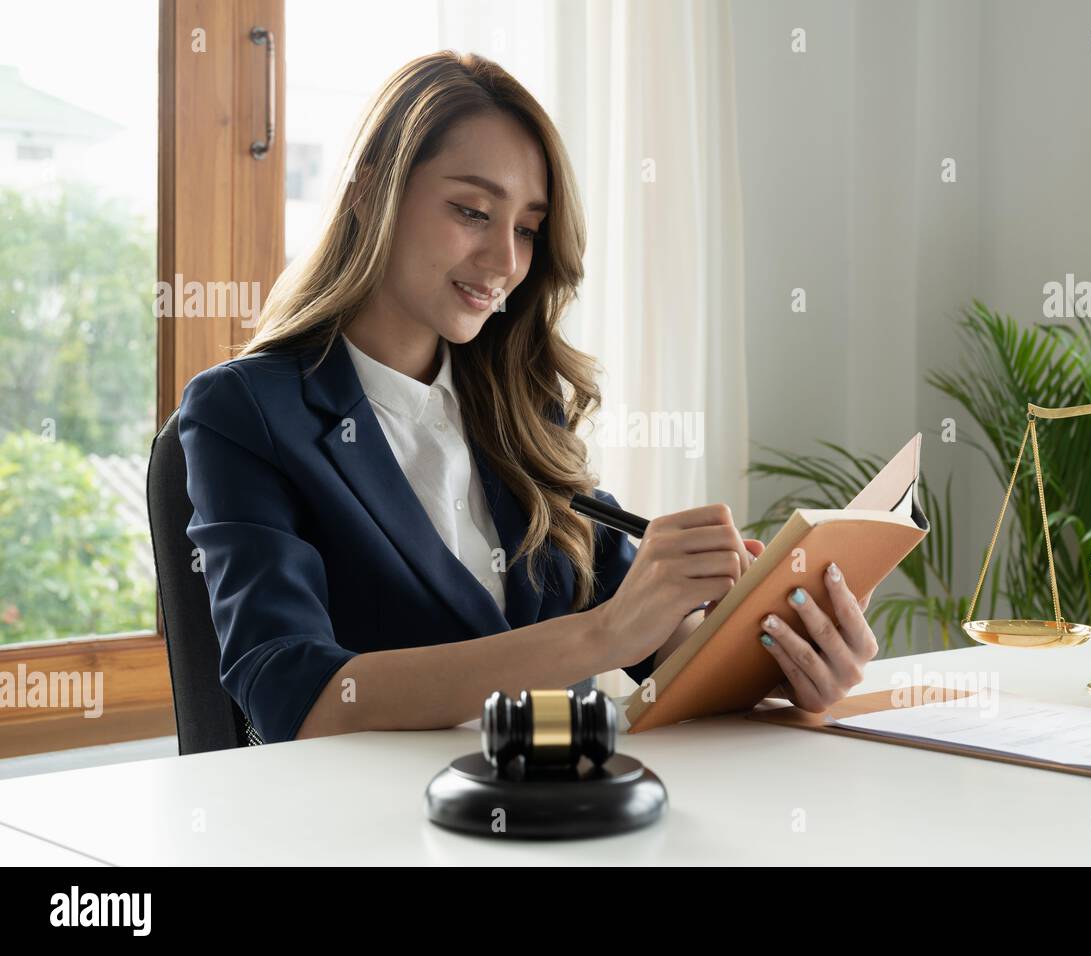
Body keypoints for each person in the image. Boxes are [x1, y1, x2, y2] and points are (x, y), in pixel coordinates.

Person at [178, 51, 878, 744]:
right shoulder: (245, 413)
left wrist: (771, 652)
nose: (507, 262)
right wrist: (601, 635)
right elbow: (293, 697)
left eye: (526, 229)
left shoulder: (520, 405)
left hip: (563, 826)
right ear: (367, 191)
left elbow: (650, 640)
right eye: (472, 211)